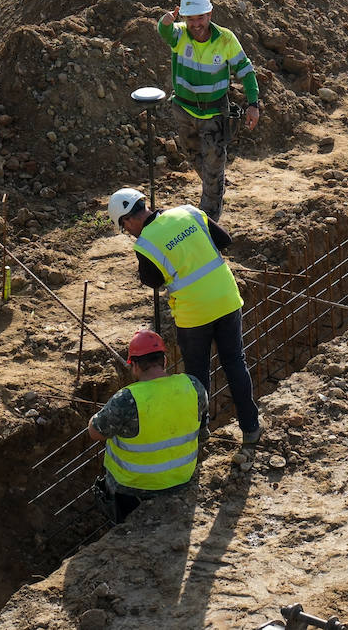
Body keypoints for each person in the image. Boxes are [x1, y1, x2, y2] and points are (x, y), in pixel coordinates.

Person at [108, 187, 261, 444]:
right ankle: (251, 428)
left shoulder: (145, 244)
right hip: (226, 297)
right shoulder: (189, 212)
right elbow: (224, 239)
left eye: (125, 228)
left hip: (194, 314)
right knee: (235, 362)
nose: (129, 233)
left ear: (129, 219)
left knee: (197, 374)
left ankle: (200, 433)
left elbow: (152, 281)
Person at [158, 0, 262, 221]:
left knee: (213, 165)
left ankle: (209, 222)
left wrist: (253, 103)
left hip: (214, 114)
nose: (196, 24)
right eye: (191, 19)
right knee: (194, 155)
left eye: (201, 18)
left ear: (210, 15)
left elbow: (246, 71)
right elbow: (164, 33)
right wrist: (165, 22)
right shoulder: (179, 34)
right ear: (184, 18)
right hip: (183, 111)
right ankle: (215, 185)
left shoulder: (225, 39)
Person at [88, 328, 208, 524]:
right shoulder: (193, 385)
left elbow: (95, 432)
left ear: (134, 366)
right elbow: (202, 429)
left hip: (132, 491)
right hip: (182, 480)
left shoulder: (126, 400)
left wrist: (98, 416)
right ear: (165, 361)